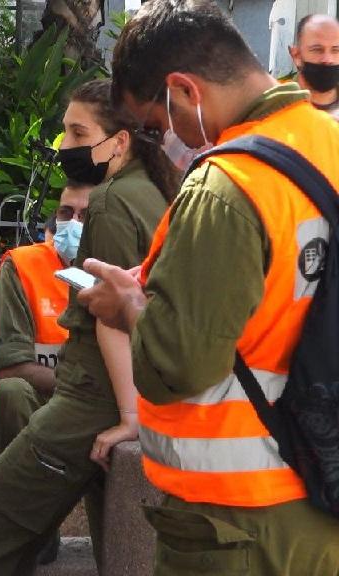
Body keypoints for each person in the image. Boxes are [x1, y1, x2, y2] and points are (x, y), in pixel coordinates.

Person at [76, 1, 339, 573]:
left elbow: (180, 364)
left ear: (184, 90)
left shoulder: (227, 187)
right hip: (324, 494)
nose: (160, 139)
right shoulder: (328, 143)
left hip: (241, 523)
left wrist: (128, 306)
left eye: (154, 123)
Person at [0, 78, 178, 576]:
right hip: (124, 390)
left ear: (119, 140)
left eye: (78, 133)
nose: (66, 147)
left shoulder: (114, 201)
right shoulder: (155, 190)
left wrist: (128, 416)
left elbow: (112, 319)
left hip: (89, 396)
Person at [0, 181, 93, 458]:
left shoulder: (122, 266)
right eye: (66, 213)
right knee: (11, 391)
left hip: (93, 404)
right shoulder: (22, 265)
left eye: (85, 216)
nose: (74, 223)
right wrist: (84, 386)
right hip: (36, 398)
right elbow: (9, 369)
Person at [289, 14, 339, 120]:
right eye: (317, 49)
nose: (327, 59)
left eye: (335, 50)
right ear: (296, 55)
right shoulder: (275, 107)